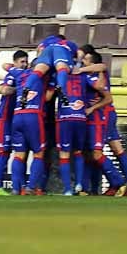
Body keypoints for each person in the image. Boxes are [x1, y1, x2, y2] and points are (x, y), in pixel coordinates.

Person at [78, 48, 127, 196]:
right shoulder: (93, 76)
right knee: (112, 149)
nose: (83, 61)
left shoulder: (95, 75)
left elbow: (105, 91)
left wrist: (92, 107)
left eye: (86, 59)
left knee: (95, 152)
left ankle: (118, 182)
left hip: (101, 117)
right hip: (104, 115)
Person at [0, 50, 28, 196]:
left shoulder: (20, 75)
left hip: (9, 119)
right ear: (15, 63)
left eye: (26, 61)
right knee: (4, 153)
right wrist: (19, 89)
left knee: (6, 152)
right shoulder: (13, 75)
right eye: (22, 62)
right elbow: (4, 90)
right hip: (3, 118)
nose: (24, 64)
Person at [10, 62, 53, 196]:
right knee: (39, 153)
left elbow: (6, 66)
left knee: (19, 154)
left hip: (17, 115)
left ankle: (16, 189)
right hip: (33, 116)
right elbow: (47, 98)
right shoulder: (45, 77)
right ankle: (31, 187)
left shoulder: (20, 73)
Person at [55, 59, 91, 197]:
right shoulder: (83, 76)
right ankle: (79, 184)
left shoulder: (58, 76)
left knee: (64, 154)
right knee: (78, 152)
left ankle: (67, 189)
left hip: (65, 118)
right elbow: (99, 85)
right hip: (81, 117)